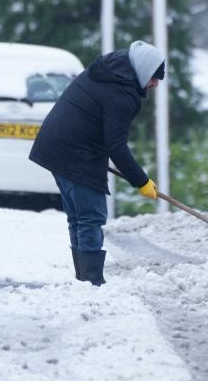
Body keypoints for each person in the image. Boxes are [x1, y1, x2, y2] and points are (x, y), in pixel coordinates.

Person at [29, 40, 165, 285]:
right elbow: (116, 146)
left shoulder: (111, 71)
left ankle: (85, 279)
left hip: (55, 145)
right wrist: (141, 181)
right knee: (91, 216)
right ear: (143, 70)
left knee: (79, 217)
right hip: (75, 152)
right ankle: (92, 281)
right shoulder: (122, 94)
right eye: (154, 78)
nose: (155, 84)